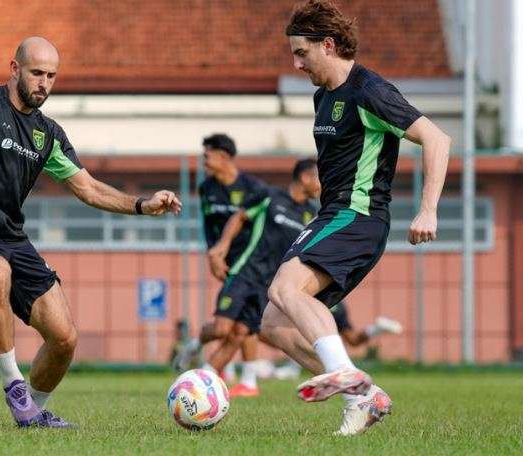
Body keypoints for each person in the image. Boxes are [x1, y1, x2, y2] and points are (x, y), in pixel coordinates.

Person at [0, 37, 181, 428]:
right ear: (14, 69)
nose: (44, 83)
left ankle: (31, 411)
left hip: (12, 239)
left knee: (65, 337)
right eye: (37, 73)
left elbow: (89, 188)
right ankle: (13, 385)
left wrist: (141, 205)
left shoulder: (48, 134)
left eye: (51, 76)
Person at [259, 0, 450, 435]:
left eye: (302, 52)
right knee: (273, 322)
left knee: (284, 287)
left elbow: (437, 139)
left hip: (358, 216)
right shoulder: (323, 96)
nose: (296, 63)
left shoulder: (369, 91)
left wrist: (428, 210)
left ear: (328, 45)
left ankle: (347, 376)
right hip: (333, 216)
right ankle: (364, 394)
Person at [206, 158, 321, 397]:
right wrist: (223, 246)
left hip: (270, 285)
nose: (323, 184)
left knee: (242, 332)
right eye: (320, 177)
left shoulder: (311, 214)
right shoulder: (269, 196)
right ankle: (195, 345)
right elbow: (239, 217)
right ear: (305, 178)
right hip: (245, 272)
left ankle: (206, 382)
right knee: (221, 329)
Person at [172, 134, 268, 385]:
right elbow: (208, 226)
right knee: (224, 328)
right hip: (227, 264)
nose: (204, 160)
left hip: (253, 265)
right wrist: (212, 256)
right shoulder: (207, 189)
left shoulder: (254, 188)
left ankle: (245, 381)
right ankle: (198, 352)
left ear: (223, 157)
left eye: (207, 155)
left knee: (244, 326)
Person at [273, 301, 403, 380]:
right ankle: (376, 329)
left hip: (315, 302)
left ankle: (293, 368)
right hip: (336, 303)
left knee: (294, 330)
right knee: (353, 340)